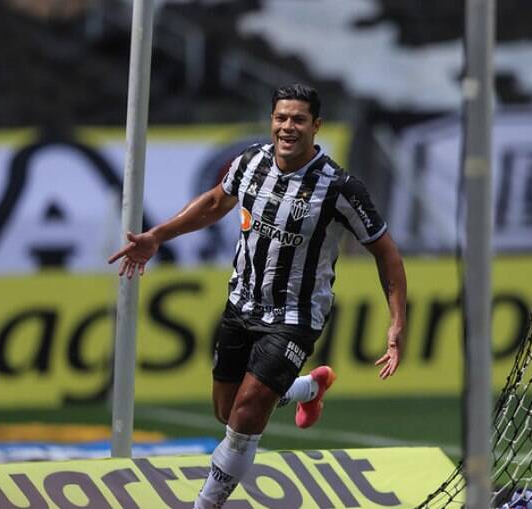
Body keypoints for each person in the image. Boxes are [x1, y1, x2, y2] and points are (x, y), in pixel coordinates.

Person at [108, 83, 407, 509]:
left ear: (316, 126)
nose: (288, 127)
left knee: (247, 414)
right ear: (272, 121)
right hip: (241, 305)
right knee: (226, 411)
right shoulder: (250, 163)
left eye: (298, 119)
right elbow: (215, 202)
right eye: (281, 118)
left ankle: (205, 505)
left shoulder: (340, 187)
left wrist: (396, 322)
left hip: (295, 316)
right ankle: (304, 389)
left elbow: (386, 251)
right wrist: (158, 236)